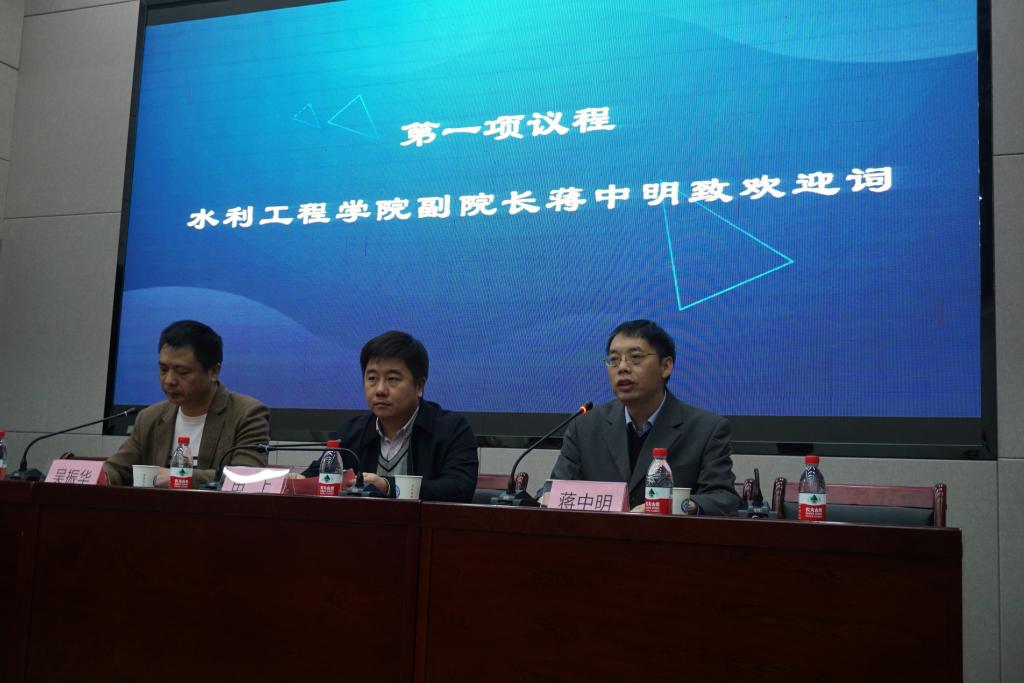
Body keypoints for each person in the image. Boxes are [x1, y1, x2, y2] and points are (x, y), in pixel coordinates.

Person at [549, 320, 739, 515]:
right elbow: (553, 491)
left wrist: (675, 506)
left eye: (635, 358)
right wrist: (545, 497)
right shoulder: (584, 427)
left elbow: (723, 499)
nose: (622, 367)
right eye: (614, 359)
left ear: (666, 366)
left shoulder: (706, 429)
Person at [303, 331, 478, 502]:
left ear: (419, 386)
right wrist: (298, 480)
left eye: (392, 379)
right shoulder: (351, 431)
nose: (380, 390)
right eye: (372, 378)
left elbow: (460, 489)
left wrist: (388, 486)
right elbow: (318, 475)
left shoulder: (452, 430)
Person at [103, 320, 270, 487]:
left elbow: (246, 477)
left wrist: (180, 477)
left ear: (213, 371)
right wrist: (102, 476)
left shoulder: (247, 414)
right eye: (163, 369)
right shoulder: (149, 418)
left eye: (182, 372)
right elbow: (116, 469)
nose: (169, 380)